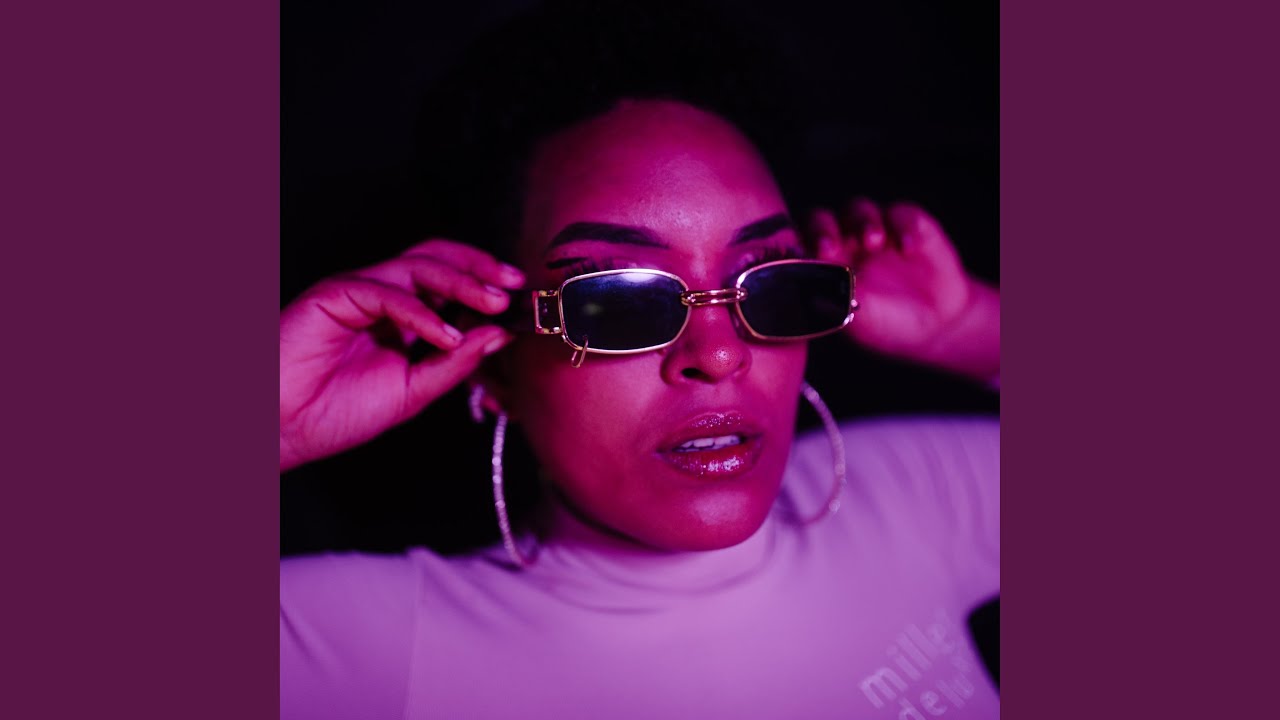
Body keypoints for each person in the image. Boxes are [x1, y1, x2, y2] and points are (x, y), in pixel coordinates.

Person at [280, 2, 998, 718]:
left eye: (764, 278)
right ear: (494, 365)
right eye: (618, 303)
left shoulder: (905, 501)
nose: (719, 354)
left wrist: (968, 330)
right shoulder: (375, 649)